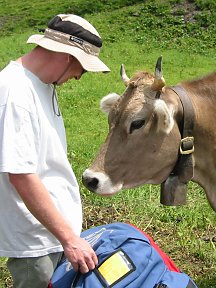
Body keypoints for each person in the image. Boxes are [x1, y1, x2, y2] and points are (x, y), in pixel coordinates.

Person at [0, 14, 110, 288]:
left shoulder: (41, 85)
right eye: (82, 69)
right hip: (36, 241)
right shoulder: (16, 94)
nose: (79, 77)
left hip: (52, 234)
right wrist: (70, 239)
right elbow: (21, 175)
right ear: (66, 56)